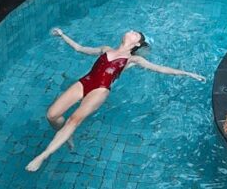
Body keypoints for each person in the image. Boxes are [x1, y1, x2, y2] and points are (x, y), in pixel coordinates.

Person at [25, 27, 206, 172]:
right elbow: (80, 48)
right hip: (85, 82)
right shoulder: (105, 49)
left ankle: (43, 155)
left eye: (136, 33)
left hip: (100, 90)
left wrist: (187, 73)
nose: (132, 31)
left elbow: (160, 68)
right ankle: (67, 135)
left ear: (136, 44)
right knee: (52, 115)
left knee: (73, 120)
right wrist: (62, 35)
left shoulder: (133, 60)